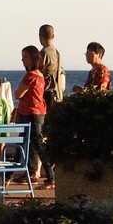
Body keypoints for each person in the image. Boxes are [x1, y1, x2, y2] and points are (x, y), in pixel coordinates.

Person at [13, 44, 48, 183]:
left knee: (34, 144)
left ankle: (50, 176)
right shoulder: (40, 75)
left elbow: (18, 94)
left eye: (25, 57)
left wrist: (18, 93)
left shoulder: (31, 76)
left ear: (33, 58)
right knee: (33, 144)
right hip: (39, 112)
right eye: (22, 57)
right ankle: (30, 172)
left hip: (31, 112)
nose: (23, 60)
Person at [38, 24, 64, 182]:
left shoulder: (44, 53)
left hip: (48, 94)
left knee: (43, 132)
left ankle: (48, 168)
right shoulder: (56, 52)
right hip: (56, 94)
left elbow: (41, 75)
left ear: (40, 37)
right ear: (53, 36)